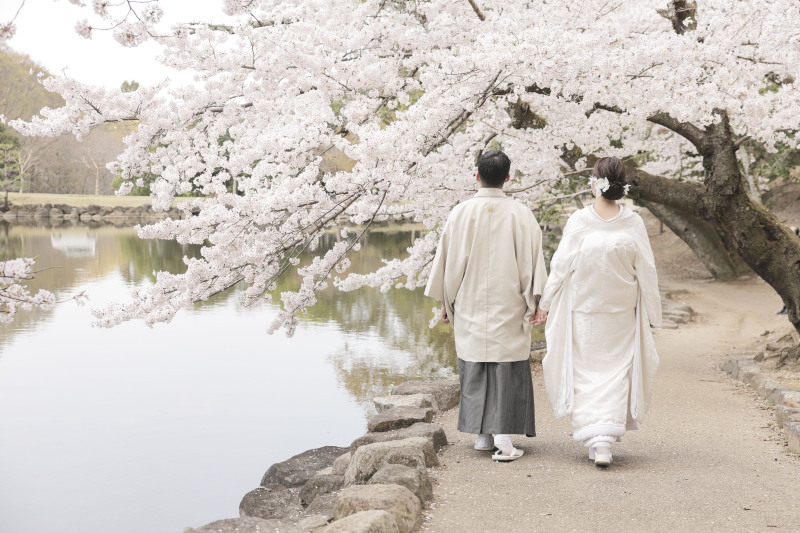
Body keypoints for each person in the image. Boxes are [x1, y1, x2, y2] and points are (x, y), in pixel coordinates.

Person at [537, 157, 662, 467]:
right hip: (619, 311)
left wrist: (545, 304)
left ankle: (597, 437)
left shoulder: (580, 220)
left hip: (587, 311)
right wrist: (653, 314)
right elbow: (647, 270)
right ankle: (602, 439)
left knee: (585, 373)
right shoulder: (632, 222)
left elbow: (560, 266)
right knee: (615, 372)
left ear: (596, 183)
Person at [425, 150, 548, 462]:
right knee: (507, 364)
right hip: (510, 299)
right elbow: (533, 264)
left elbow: (448, 264)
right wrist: (536, 301)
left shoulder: (461, 213)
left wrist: (446, 301)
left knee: (476, 362)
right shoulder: (521, 214)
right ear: (508, 178)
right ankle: (503, 435)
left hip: (471, 299)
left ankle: (483, 436)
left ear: (476, 175)